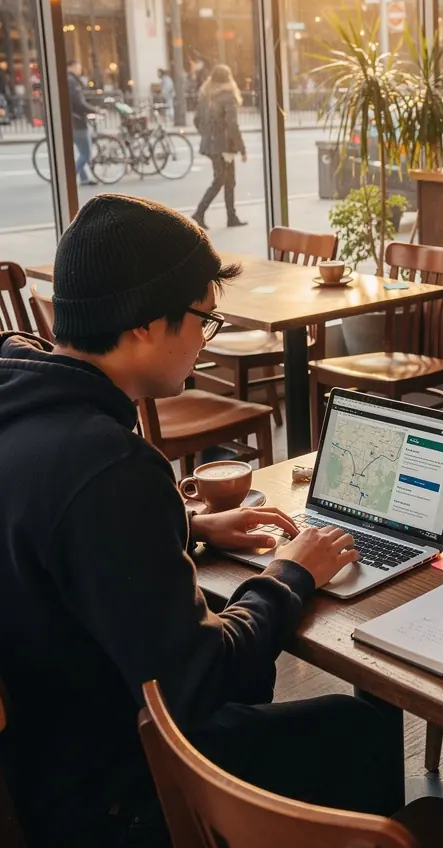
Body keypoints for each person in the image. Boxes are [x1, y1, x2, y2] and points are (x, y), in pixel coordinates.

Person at [0, 194, 404, 847]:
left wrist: (188, 527)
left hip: (44, 760)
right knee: (357, 731)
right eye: (202, 319)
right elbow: (203, 683)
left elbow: (61, 540)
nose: (204, 340)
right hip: (117, 797)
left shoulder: (23, 404)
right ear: (142, 325)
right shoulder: (110, 468)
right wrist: (289, 575)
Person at [193, 64, 247, 229]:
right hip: (224, 146)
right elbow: (232, 125)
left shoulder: (205, 95)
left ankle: (231, 216)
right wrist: (242, 148)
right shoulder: (228, 96)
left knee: (227, 180)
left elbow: (196, 120)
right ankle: (200, 212)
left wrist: (208, 135)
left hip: (211, 145)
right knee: (222, 180)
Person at [67, 58, 94, 186]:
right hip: (77, 120)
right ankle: (71, 177)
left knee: (81, 152)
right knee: (86, 153)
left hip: (72, 120)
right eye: (78, 67)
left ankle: (84, 179)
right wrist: (95, 110)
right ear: (71, 67)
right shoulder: (72, 81)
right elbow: (79, 102)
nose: (80, 70)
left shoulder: (69, 80)